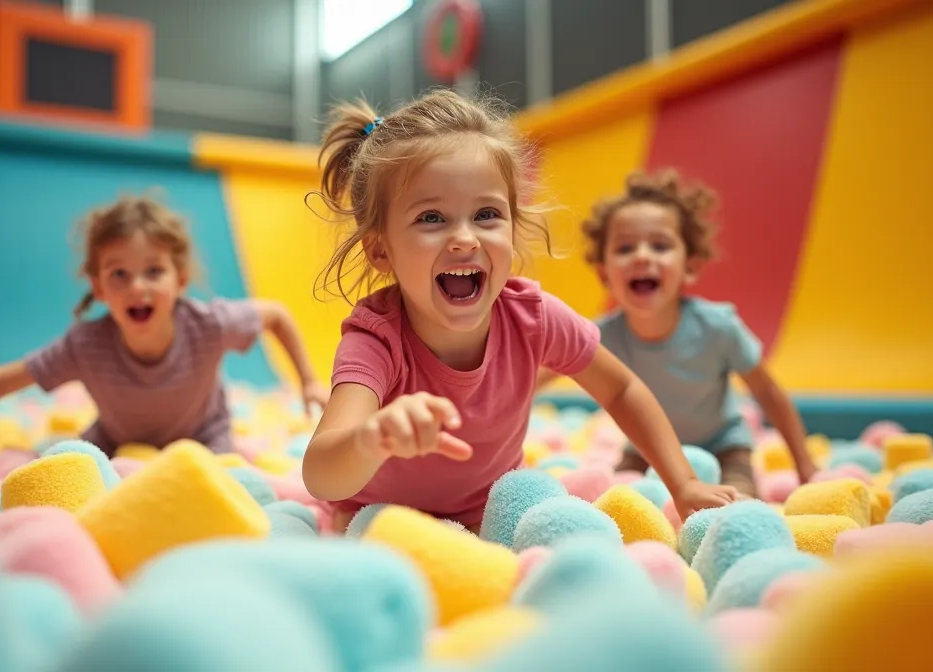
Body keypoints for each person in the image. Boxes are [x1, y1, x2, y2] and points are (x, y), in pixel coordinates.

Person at [300, 90, 738, 533]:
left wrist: (682, 483)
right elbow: (321, 472)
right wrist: (373, 440)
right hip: (382, 519)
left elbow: (621, 389)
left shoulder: (531, 317)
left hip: (487, 516)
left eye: (487, 214)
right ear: (381, 251)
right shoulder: (377, 339)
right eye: (432, 218)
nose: (465, 239)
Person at [0, 193, 328, 456]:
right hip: (116, 439)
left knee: (228, 476)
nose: (136, 287)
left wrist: (308, 381)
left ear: (180, 280)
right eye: (118, 274)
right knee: (71, 466)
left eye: (154, 272)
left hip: (203, 435)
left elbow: (277, 316)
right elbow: (1, 378)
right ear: (99, 288)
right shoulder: (88, 344)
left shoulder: (207, 324)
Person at [539, 170, 816, 496]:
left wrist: (804, 464)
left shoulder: (717, 326)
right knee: (621, 497)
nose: (642, 255)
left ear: (691, 266)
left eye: (660, 245)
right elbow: (536, 375)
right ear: (604, 273)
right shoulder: (599, 336)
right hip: (647, 449)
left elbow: (767, 392)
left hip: (723, 447)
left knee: (736, 496)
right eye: (625, 248)